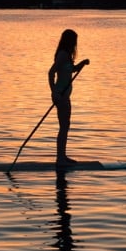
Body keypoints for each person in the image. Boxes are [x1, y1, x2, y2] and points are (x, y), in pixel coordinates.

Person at [48, 29, 90, 166]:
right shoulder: (62, 55)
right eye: (74, 41)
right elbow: (51, 73)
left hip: (65, 96)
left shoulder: (67, 55)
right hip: (60, 95)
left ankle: (62, 156)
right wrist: (54, 92)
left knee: (65, 126)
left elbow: (71, 70)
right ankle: (60, 159)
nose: (75, 44)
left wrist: (82, 63)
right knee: (64, 127)